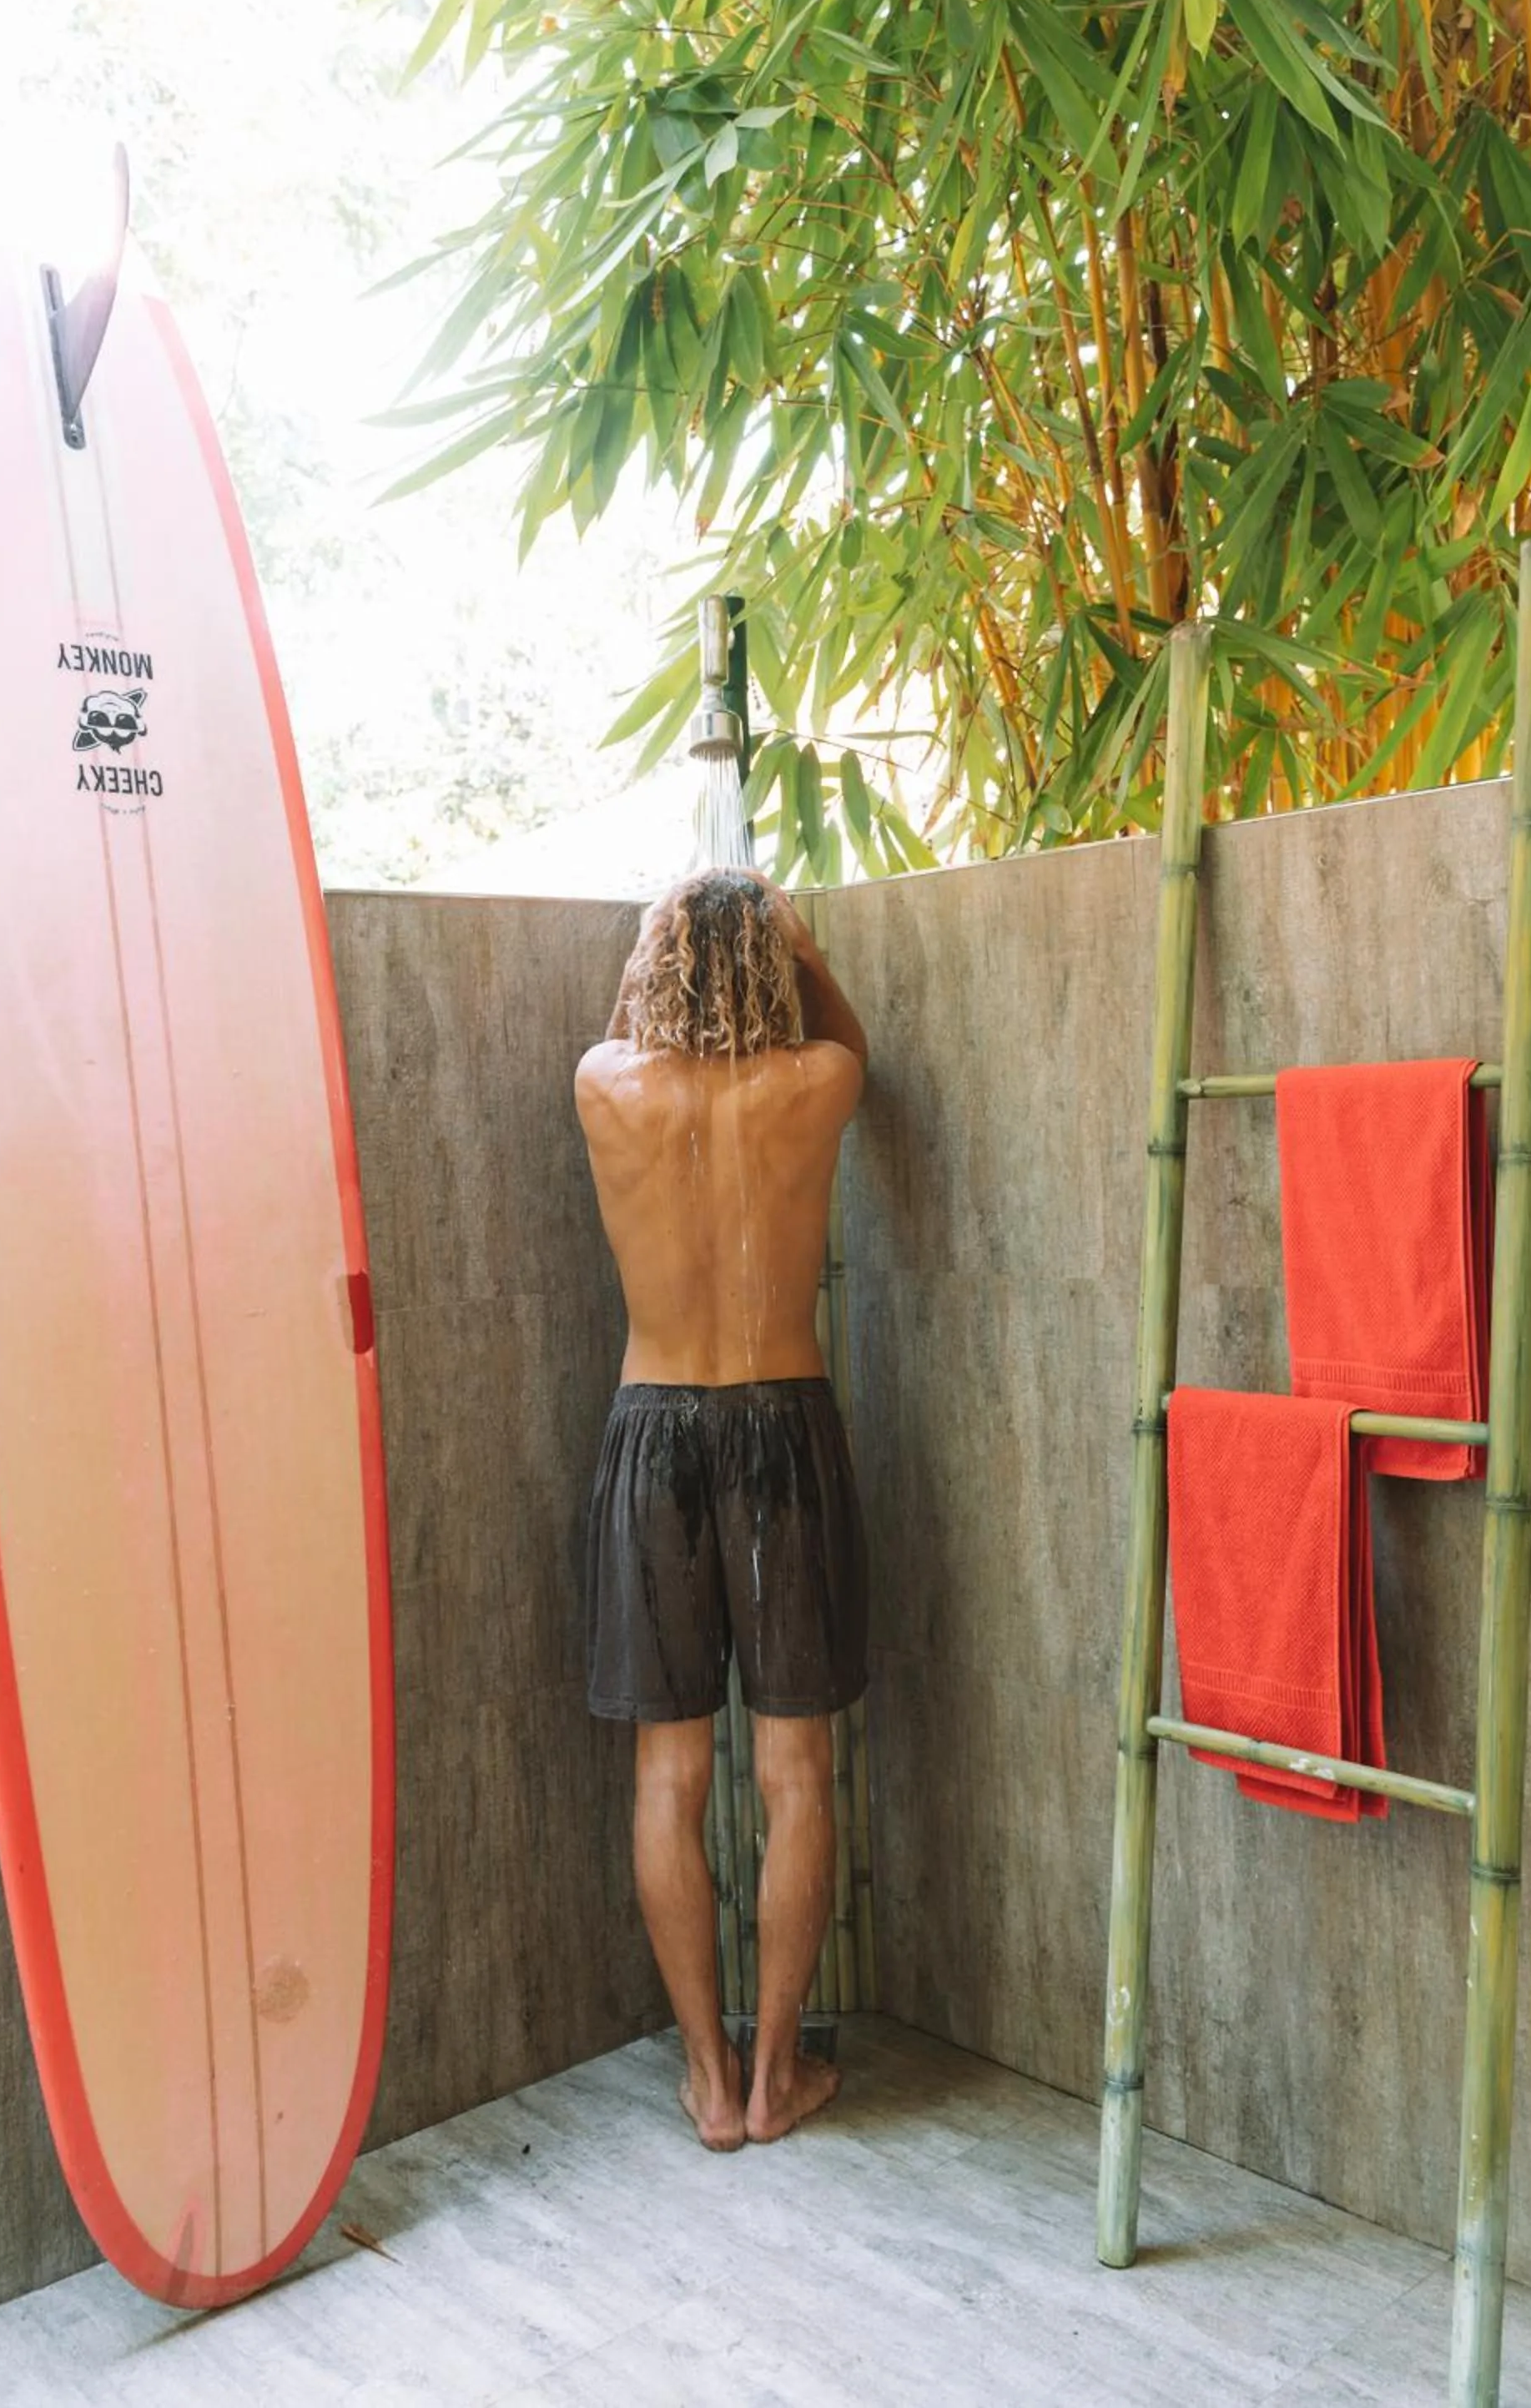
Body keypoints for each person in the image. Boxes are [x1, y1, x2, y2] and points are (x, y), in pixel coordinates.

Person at [574, 869, 869, 2151]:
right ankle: (778, 2073)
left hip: (655, 1434)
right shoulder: (815, 1085)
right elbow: (850, 1038)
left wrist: (660, 945)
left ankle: (707, 2079)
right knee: (796, 1770)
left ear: (653, 969)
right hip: (782, 1427)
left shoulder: (604, 1084)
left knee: (669, 1773)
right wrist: (794, 943)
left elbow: (631, 1031)